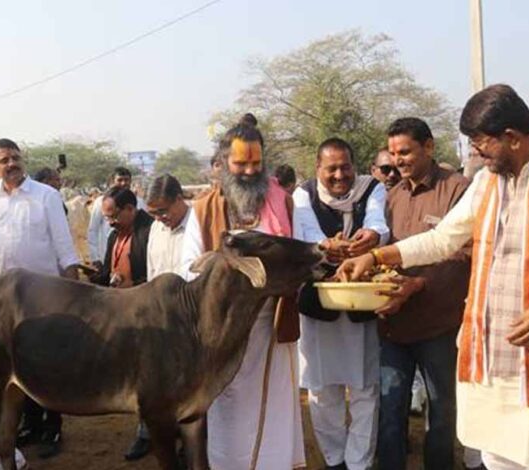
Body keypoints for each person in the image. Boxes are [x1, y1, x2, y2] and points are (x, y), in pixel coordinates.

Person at [337, 85, 529, 470]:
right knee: (495, 457)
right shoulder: (487, 181)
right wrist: (376, 255)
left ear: (512, 138)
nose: (475, 153)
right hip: (488, 357)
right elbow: (443, 239)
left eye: (480, 143)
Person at [180, 121, 305, 469]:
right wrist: (232, 268)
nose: (250, 171)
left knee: (274, 406)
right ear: (223, 163)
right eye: (241, 164)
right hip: (223, 330)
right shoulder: (203, 209)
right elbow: (187, 269)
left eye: (256, 163)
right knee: (228, 408)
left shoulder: (284, 203)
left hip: (272, 325)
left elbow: (302, 253)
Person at [374, 118, 477, 470]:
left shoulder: (458, 190)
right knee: (390, 409)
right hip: (393, 325)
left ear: (429, 147)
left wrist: (417, 284)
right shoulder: (391, 196)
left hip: (439, 326)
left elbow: (466, 252)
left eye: (405, 152)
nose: (398, 161)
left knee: (441, 411)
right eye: (393, 154)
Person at [0, 138, 80, 459]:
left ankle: (52, 428)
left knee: (48, 364)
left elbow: (64, 246)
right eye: (4, 160)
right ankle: (30, 425)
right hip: (3, 301)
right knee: (17, 365)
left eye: (15, 157)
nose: (11, 164)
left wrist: (73, 295)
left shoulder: (46, 196)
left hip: (44, 298)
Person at [293, 137, 388, 470]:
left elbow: (377, 222)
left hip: (361, 303)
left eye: (345, 167)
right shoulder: (303, 195)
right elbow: (306, 232)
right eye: (331, 168)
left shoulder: (371, 188)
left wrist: (372, 236)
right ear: (317, 168)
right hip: (319, 307)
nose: (339, 175)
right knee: (322, 390)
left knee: (365, 388)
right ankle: (335, 460)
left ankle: (358, 462)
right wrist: (324, 246)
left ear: (354, 166)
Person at [121, 174, 193, 461]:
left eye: (164, 210)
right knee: (151, 381)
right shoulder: (156, 229)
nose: (160, 218)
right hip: (160, 320)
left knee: (188, 384)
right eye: (154, 213)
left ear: (179, 199)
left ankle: (189, 441)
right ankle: (146, 433)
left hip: (190, 320)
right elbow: (152, 273)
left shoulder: (198, 225)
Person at [91, 187, 153, 288]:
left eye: (114, 216)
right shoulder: (113, 236)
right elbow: (106, 275)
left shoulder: (152, 233)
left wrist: (132, 285)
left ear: (130, 209)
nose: (110, 223)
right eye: (107, 218)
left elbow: (157, 275)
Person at [87, 166, 134, 269]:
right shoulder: (101, 202)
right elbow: (93, 230)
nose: (123, 183)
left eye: (126, 180)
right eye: (120, 180)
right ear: (112, 181)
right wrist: (95, 257)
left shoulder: (138, 202)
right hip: (106, 255)